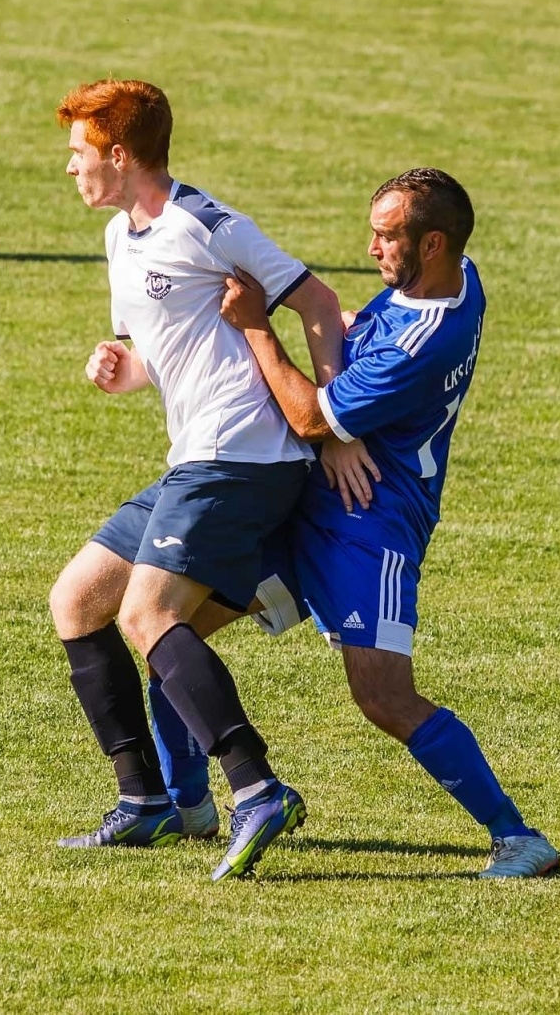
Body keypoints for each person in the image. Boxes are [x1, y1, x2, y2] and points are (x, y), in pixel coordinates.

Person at [214, 168, 560, 879]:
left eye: (386, 235)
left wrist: (256, 327)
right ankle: (183, 801)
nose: (371, 248)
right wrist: (341, 402)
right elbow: (336, 403)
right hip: (311, 505)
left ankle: (518, 838)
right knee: (171, 626)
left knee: (382, 696)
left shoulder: (420, 342)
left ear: (432, 243)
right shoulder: (457, 277)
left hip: (370, 524)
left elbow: (312, 417)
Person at [49, 78, 346, 881]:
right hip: (196, 457)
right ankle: (145, 800)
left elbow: (319, 302)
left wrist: (333, 427)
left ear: (119, 155)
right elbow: (166, 349)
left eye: (79, 152)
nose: (70, 167)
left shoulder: (206, 225)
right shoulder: (120, 237)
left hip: (244, 455)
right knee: (76, 600)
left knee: (147, 614)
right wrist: (123, 367)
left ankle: (257, 788)